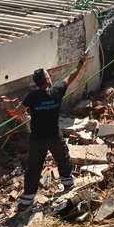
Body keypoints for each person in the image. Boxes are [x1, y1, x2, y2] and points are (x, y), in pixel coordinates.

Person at [14, 55, 90, 212]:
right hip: (55, 137)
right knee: (63, 157)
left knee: (33, 167)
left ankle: (28, 198)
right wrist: (81, 62)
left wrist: (27, 112)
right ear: (48, 80)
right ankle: (67, 182)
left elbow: (17, 112)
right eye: (48, 74)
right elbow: (72, 76)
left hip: (37, 140)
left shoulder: (31, 96)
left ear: (36, 83)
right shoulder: (57, 91)